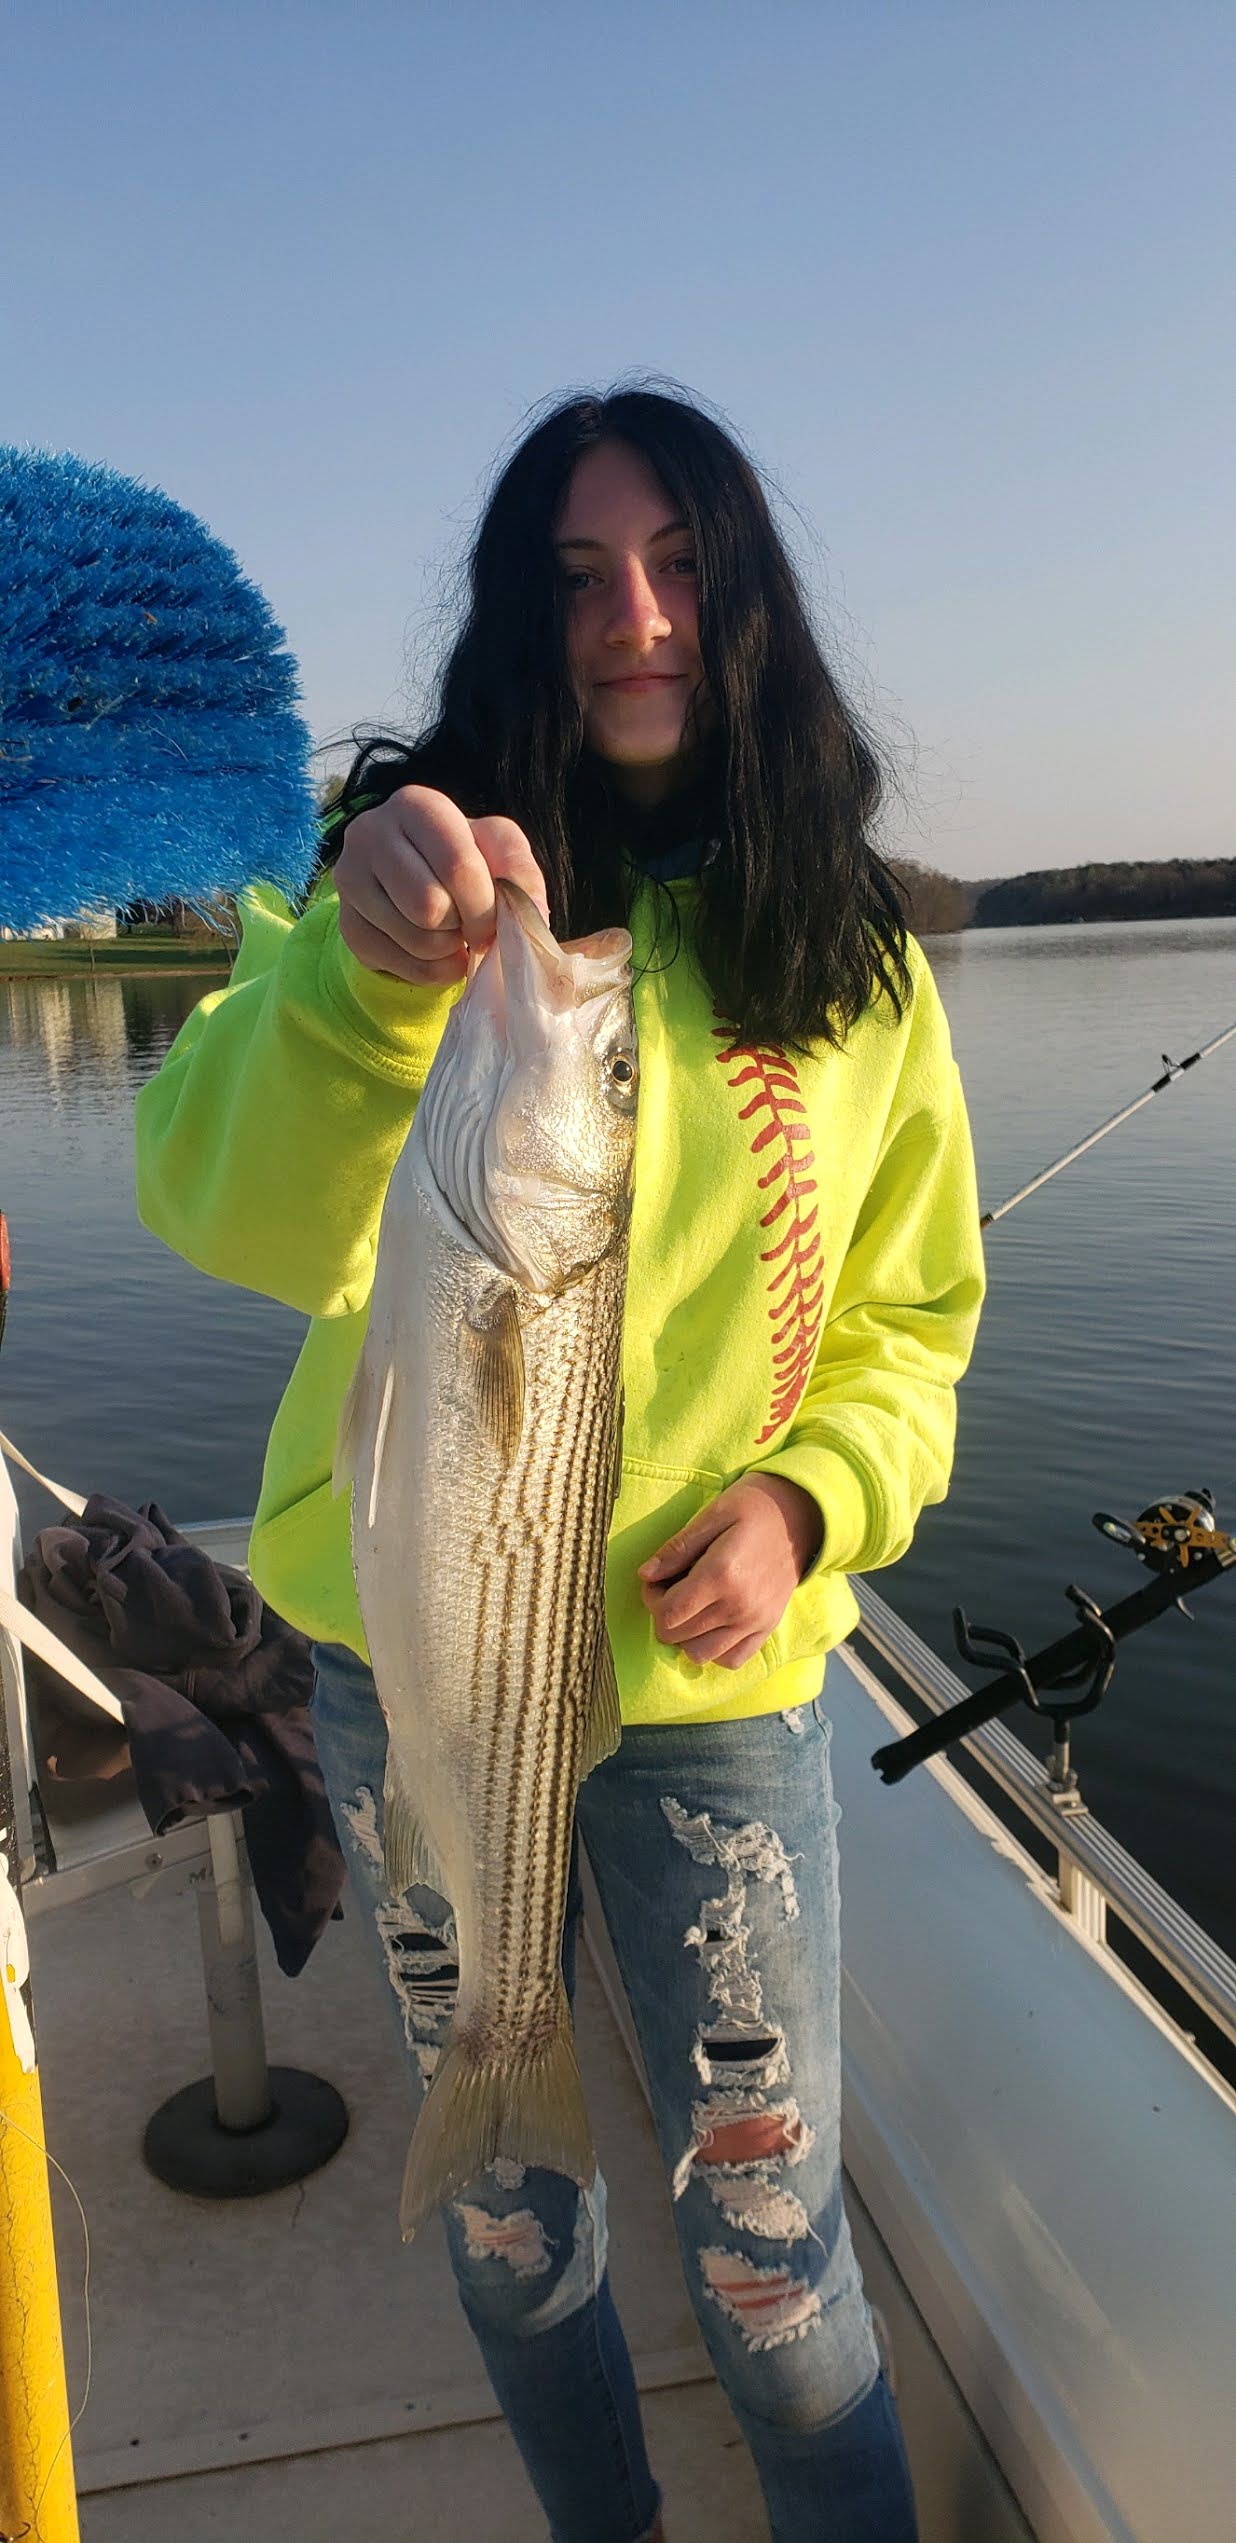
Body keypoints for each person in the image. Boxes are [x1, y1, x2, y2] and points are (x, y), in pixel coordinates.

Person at [135, 383, 986, 2543]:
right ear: (525, 614)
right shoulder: (402, 912)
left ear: (748, 605)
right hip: (410, 1673)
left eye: (681, 566)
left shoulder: (860, 967)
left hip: (716, 1705)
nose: (636, 619)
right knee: (520, 2238)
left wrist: (813, 1504)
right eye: (582, 574)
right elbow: (223, 1206)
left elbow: (911, 1325)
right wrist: (362, 977)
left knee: (775, 2272)